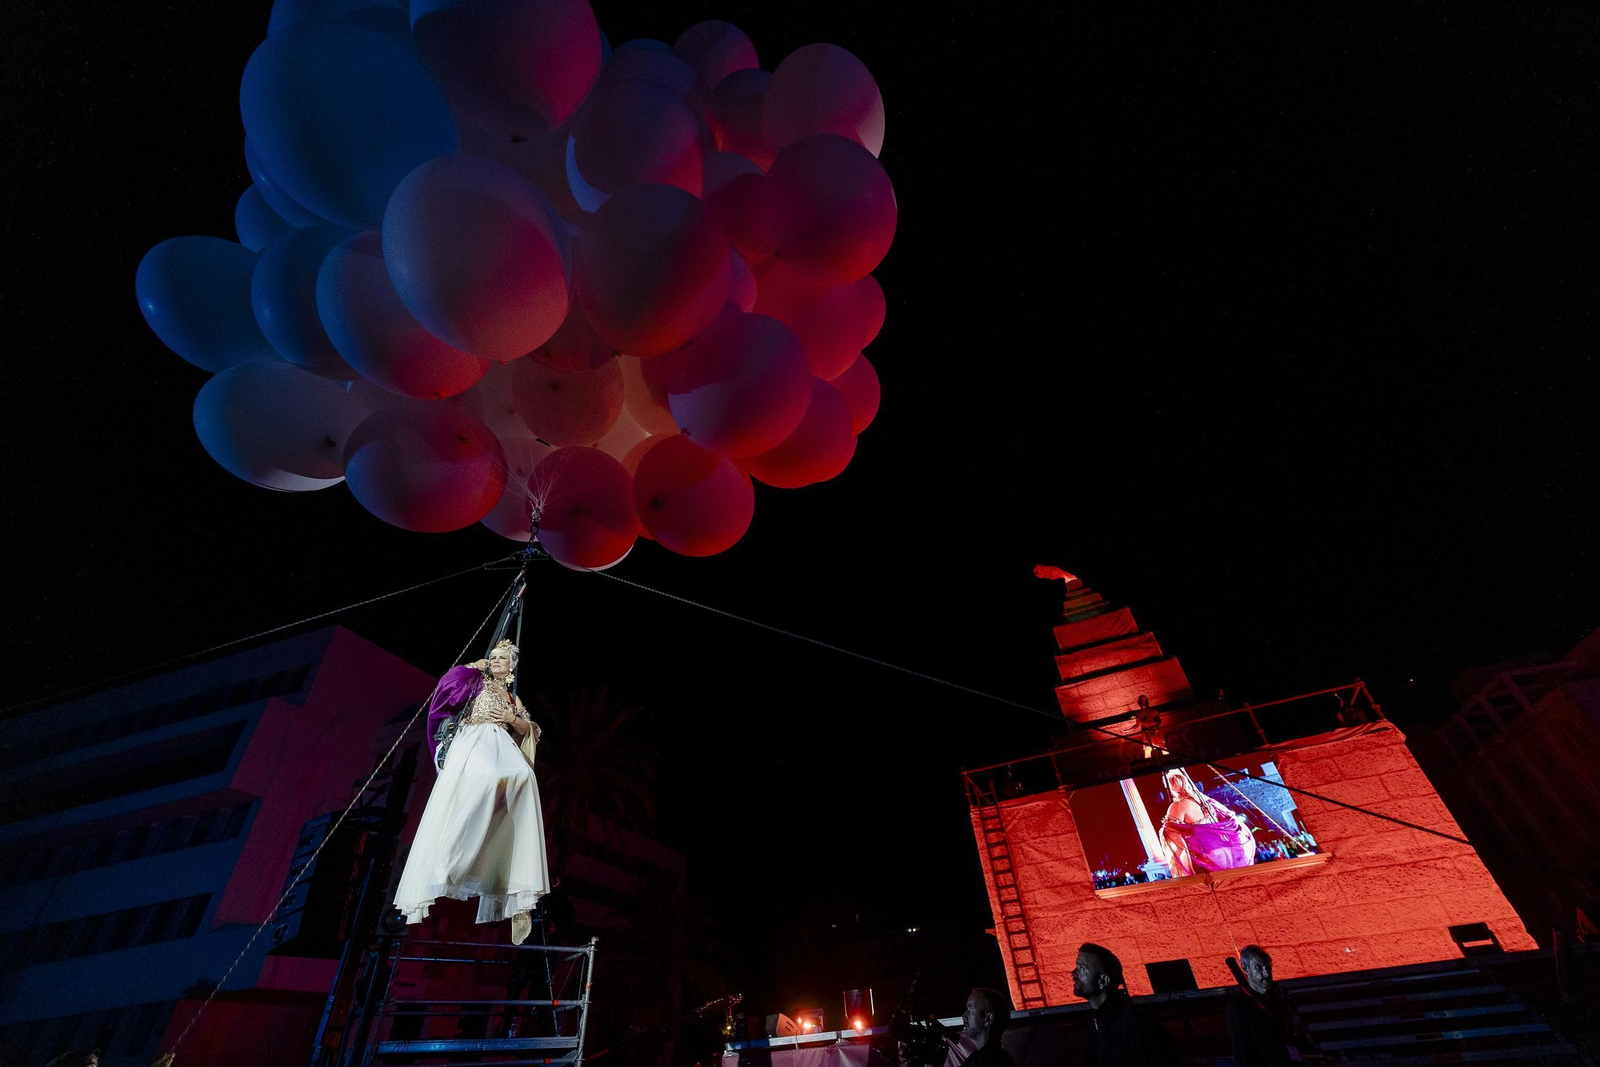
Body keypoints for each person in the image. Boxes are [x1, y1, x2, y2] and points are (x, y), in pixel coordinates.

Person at [394, 639, 550, 944]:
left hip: (500, 745)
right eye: (492, 656)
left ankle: (517, 894)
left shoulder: (512, 697)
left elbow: (530, 728)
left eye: (502, 658)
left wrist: (512, 719)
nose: (495, 661)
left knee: (523, 777)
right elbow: (447, 686)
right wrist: (473, 666)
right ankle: (449, 855)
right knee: (490, 778)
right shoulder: (477, 681)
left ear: (512, 666)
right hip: (474, 741)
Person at [1073, 943, 1180, 1067]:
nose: (1073, 973)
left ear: (1103, 981)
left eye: (1081, 968)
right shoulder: (1097, 1028)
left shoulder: (1135, 1025)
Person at [1158, 767, 1256, 876]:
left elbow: (1174, 837)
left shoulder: (1178, 806)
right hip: (1227, 849)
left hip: (1207, 855)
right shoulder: (1206, 801)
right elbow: (1229, 817)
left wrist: (1174, 862)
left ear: (1172, 787)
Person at [1227, 945, 1296, 1067]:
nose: (1266, 973)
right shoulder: (1238, 1003)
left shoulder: (1276, 997)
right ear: (1245, 969)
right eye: (1258, 967)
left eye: (1268, 967)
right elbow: (1241, 1047)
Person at [959, 988, 1015, 1067]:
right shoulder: (978, 1059)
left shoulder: (994, 1062)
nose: (964, 1016)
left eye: (971, 1009)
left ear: (988, 1018)